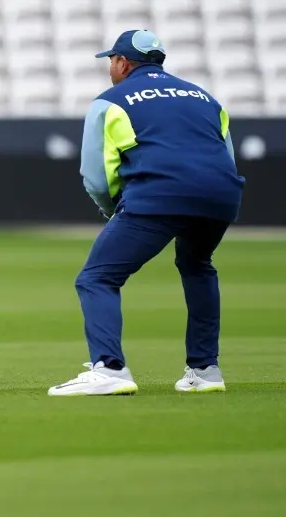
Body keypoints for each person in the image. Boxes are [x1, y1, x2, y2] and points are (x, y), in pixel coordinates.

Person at [48, 30, 245, 397]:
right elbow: (227, 156)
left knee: (97, 278)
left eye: (111, 61)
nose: (110, 67)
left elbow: (96, 175)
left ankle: (109, 369)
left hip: (160, 194)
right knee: (198, 265)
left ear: (122, 63)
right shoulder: (205, 98)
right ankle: (205, 369)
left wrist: (113, 212)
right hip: (220, 194)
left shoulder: (110, 101)